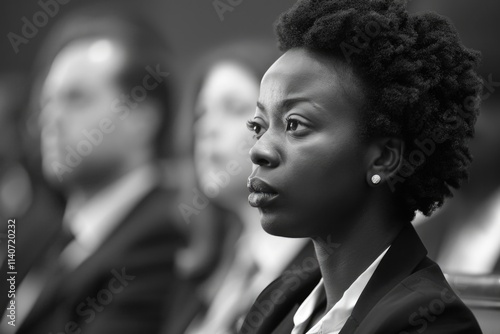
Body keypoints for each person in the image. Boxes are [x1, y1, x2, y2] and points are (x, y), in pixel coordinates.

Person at [239, 0, 483, 333]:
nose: (260, 151)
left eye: (295, 124)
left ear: (383, 157)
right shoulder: (280, 301)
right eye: (258, 126)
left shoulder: (431, 322)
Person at [15, 7, 195, 334]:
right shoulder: (34, 228)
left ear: (143, 117)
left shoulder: (165, 234)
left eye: (76, 98)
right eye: (46, 102)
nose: (49, 120)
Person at [180, 41, 311, 334]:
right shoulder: (200, 268)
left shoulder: (331, 274)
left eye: (233, 108)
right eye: (201, 113)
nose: (207, 128)